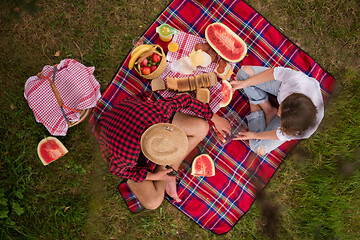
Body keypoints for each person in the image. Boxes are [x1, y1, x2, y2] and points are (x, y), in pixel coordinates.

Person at [98, 93, 230, 210]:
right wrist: (154, 176)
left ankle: (170, 171)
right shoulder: (128, 158)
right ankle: (164, 172)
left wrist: (216, 119)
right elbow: (117, 170)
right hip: (112, 135)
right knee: (153, 202)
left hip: (134, 114)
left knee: (202, 127)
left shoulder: (159, 111)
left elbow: (186, 100)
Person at [231, 66, 324, 155]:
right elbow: (273, 73)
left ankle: (256, 105)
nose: (278, 115)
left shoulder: (302, 130)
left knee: (258, 148)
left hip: (290, 121)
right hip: (282, 87)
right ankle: (267, 109)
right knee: (243, 74)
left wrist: (254, 135)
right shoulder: (296, 80)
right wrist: (245, 83)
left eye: (280, 115)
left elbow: (279, 134)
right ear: (288, 97)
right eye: (280, 111)